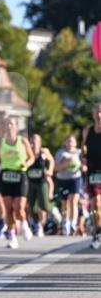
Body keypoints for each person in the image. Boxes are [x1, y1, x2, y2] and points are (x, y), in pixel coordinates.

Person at [0, 119, 34, 249]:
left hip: (20, 174)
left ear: (16, 126)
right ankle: (12, 237)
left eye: (11, 124)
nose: (8, 126)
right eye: (6, 123)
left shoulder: (23, 141)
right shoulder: (0, 142)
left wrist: (27, 163)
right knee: (8, 209)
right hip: (6, 175)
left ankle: (25, 225)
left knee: (19, 207)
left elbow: (31, 157)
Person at [54, 134, 84, 237]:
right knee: (65, 203)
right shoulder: (61, 153)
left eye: (72, 141)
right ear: (64, 143)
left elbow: (84, 164)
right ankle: (65, 223)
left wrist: (84, 167)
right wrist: (66, 163)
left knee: (73, 200)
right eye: (68, 141)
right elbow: (56, 167)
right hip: (63, 179)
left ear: (75, 143)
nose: (70, 143)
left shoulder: (79, 152)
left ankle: (73, 223)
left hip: (75, 178)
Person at [27, 134, 54, 237]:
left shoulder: (44, 152)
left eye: (35, 141)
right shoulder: (28, 152)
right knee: (32, 206)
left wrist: (50, 170)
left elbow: (51, 160)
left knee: (44, 205)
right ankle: (37, 224)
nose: (33, 143)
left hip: (41, 181)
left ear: (40, 142)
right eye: (32, 141)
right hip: (31, 181)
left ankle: (51, 214)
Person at [82, 102, 101, 249]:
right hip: (93, 172)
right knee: (96, 204)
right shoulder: (88, 131)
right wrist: (82, 159)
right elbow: (83, 149)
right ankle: (97, 233)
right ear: (93, 115)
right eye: (97, 112)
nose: (99, 115)